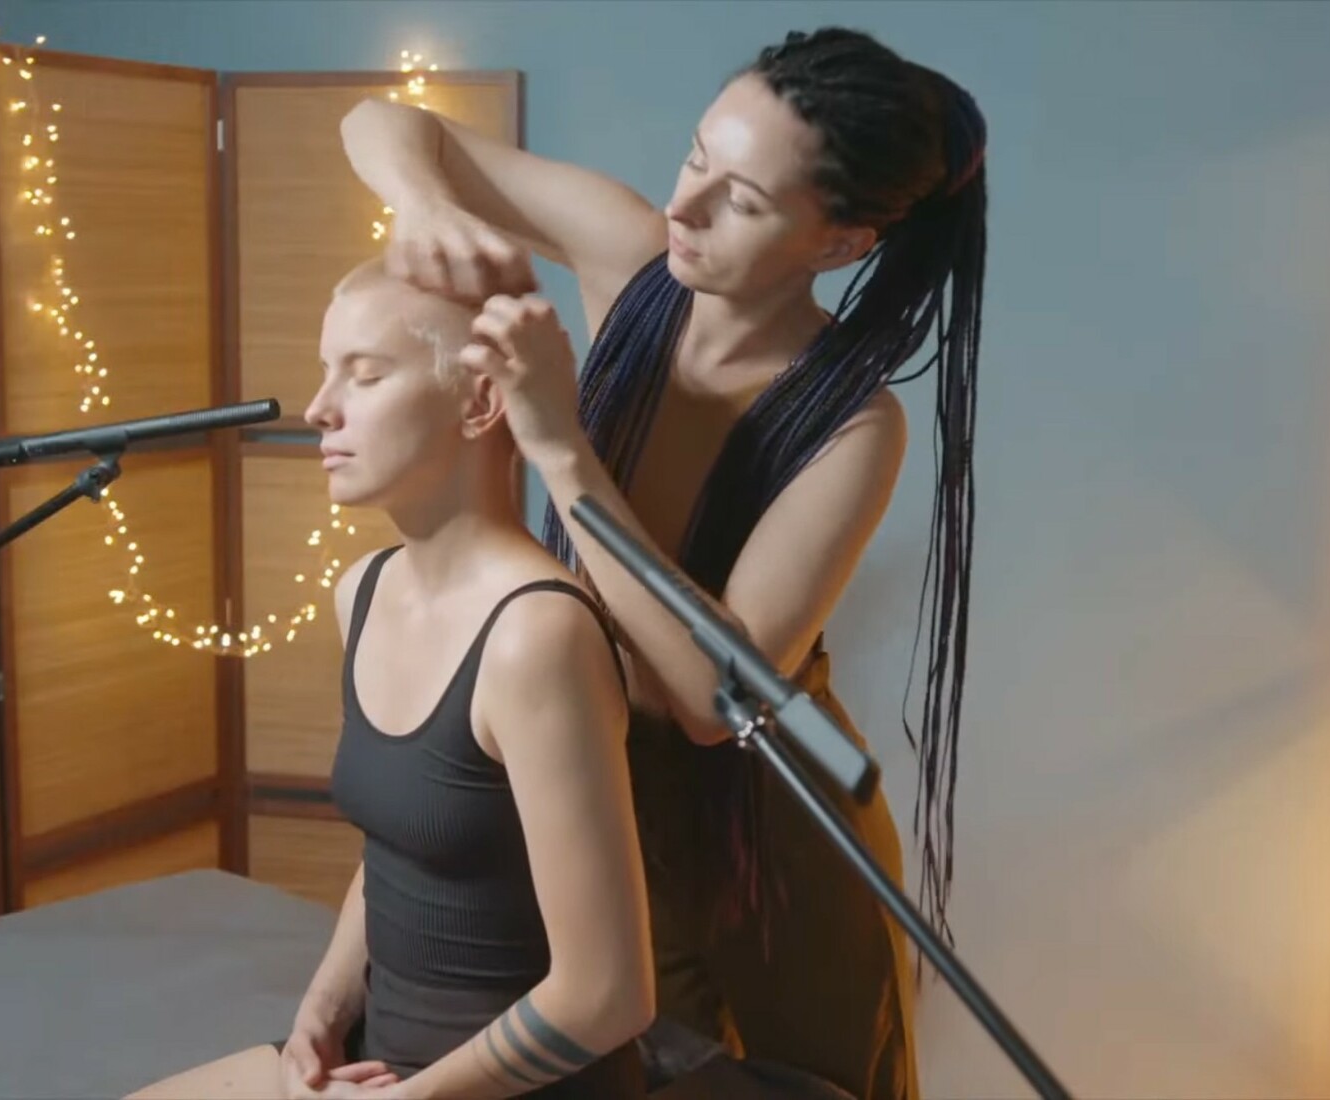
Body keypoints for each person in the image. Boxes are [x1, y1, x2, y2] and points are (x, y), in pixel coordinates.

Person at [340, 25, 989, 1100]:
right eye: (696, 157)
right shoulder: (633, 256)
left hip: (763, 846)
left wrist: (561, 446)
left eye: (742, 200)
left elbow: (707, 700)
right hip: (593, 779)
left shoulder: (855, 425)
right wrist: (425, 203)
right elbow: (382, 123)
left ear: (839, 243)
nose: (686, 206)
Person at [278, 260, 655, 1099]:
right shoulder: (361, 592)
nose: (319, 408)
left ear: (480, 402)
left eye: (365, 375)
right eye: (326, 370)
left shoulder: (536, 636)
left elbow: (609, 996)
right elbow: (399, 851)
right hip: (383, 1063)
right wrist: (322, 1011)